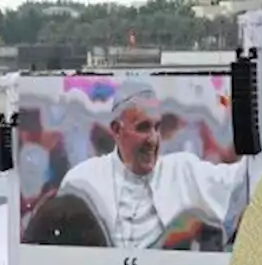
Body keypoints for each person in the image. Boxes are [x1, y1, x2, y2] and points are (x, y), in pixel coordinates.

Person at [43, 81, 248, 251]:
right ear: (116, 129)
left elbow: (241, 180)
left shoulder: (183, 170)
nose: (152, 139)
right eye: (143, 128)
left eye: (157, 127)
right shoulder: (82, 181)